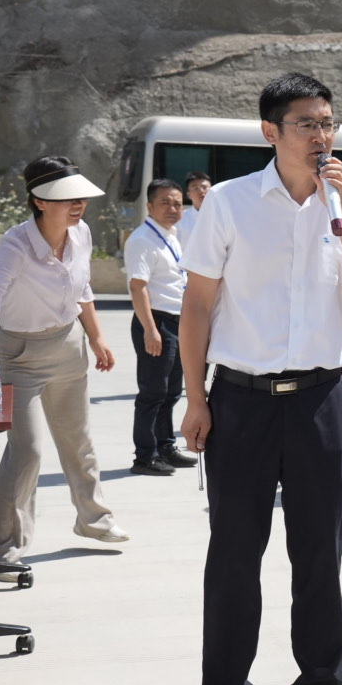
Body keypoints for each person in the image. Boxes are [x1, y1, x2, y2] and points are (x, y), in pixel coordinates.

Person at [178, 72, 342, 685]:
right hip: (240, 402)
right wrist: (197, 398)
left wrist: (340, 211)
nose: (321, 135)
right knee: (234, 558)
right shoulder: (230, 203)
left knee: (319, 557)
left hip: (321, 401)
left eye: (328, 123)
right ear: (270, 131)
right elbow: (198, 306)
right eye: (306, 124)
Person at [0, 156, 128, 572]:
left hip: (68, 346)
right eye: (67, 198)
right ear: (39, 201)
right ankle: (2, 552)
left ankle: (94, 520)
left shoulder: (81, 233)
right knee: (26, 452)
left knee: (78, 440)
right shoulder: (16, 244)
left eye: (80, 196)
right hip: (21, 356)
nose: (78, 204)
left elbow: (83, 289)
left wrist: (97, 338)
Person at [124, 177, 194, 476]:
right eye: (165, 202)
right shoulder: (143, 239)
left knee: (171, 391)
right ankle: (145, 456)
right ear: (150, 206)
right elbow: (138, 286)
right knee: (152, 393)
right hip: (155, 320)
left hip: (176, 322)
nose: (172, 208)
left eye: (177, 203)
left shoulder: (172, 235)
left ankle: (165, 447)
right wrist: (150, 330)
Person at [178, 171, 212, 248]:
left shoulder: (224, 216)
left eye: (204, 187)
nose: (201, 191)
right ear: (188, 195)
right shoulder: (180, 219)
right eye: (196, 188)